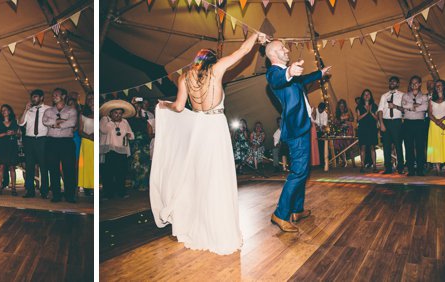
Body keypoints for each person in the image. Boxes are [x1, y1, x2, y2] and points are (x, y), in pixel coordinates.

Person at [150, 32, 266, 254]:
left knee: (198, 177)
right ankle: (217, 228)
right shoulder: (216, 69)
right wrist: (255, 35)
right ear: (212, 60)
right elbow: (242, 51)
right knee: (217, 177)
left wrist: (163, 105)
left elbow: (178, 107)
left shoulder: (184, 77)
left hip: (198, 127)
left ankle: (195, 223)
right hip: (214, 125)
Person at [264, 38, 331, 233]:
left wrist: (320, 73)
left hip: (302, 126)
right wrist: (289, 71)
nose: (287, 49)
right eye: (282, 48)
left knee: (302, 171)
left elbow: (304, 79)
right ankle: (281, 214)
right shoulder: (274, 73)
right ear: (273, 54)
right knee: (298, 172)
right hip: (295, 129)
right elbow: (277, 79)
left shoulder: (291, 76)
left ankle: (297, 210)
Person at [43, 88, 79, 203]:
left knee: (69, 169)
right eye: (53, 95)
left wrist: (55, 124)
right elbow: (45, 122)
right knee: (53, 169)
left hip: (66, 142)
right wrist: (59, 122)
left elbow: (72, 123)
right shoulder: (48, 111)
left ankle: (70, 195)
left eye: (57, 95)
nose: (54, 96)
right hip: (51, 142)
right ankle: (56, 195)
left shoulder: (71, 110)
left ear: (63, 96)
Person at [18, 90, 51, 198]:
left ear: (41, 97)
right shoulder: (29, 110)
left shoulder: (48, 109)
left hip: (42, 139)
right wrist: (25, 109)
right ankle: (30, 190)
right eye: (32, 97)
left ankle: (44, 191)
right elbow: (21, 123)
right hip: (29, 140)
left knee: (43, 165)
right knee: (29, 166)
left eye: (35, 97)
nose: (33, 99)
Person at [99, 100, 134, 200]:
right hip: (109, 150)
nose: (118, 115)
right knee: (108, 173)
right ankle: (108, 193)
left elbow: (131, 133)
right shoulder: (104, 120)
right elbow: (104, 130)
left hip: (121, 149)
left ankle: (121, 192)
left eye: (120, 113)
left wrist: (129, 135)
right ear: (110, 112)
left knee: (121, 173)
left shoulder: (125, 122)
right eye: (115, 113)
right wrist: (112, 122)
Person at [402, 76, 429, 176]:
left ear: (420, 84)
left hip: (420, 123)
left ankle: (420, 169)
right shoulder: (405, 95)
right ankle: (410, 170)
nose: (414, 85)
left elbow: (425, 107)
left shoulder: (424, 97)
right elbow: (403, 105)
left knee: (420, 147)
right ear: (410, 84)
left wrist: (411, 108)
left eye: (416, 83)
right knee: (408, 147)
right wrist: (416, 106)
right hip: (408, 123)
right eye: (412, 83)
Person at [378, 76, 405, 174]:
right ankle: (388, 168)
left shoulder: (402, 95)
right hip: (386, 122)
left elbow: (405, 109)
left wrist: (395, 106)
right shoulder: (384, 96)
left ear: (398, 84)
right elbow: (380, 110)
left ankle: (400, 167)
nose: (392, 83)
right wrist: (381, 123)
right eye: (390, 81)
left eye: (394, 81)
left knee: (398, 145)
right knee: (386, 146)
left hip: (397, 122)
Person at [0, 104, 19, 196]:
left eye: (5, 110)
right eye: (2, 110)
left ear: (9, 111)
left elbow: (19, 134)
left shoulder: (14, 122)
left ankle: (14, 188)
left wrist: (14, 132)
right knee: (1, 167)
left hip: (12, 146)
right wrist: (5, 134)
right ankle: (0, 187)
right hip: (1, 146)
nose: (3, 111)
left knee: (12, 167)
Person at [356, 89, 379, 172]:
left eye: (368, 94)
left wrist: (371, 113)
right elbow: (358, 118)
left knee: (372, 147)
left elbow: (377, 118)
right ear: (362, 96)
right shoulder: (359, 107)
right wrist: (366, 112)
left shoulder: (374, 106)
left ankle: (375, 166)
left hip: (372, 128)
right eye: (365, 94)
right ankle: (362, 165)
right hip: (363, 129)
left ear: (370, 95)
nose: (366, 96)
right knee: (363, 147)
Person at [79, 93, 95, 196]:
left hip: (98, 142)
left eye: (93, 98)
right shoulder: (82, 114)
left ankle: (95, 185)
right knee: (87, 165)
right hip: (87, 141)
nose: (91, 100)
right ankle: (87, 187)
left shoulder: (101, 113)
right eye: (88, 98)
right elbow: (80, 131)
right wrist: (89, 136)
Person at [332, 99, 355, 167]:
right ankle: (345, 162)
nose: (341, 107)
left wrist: (347, 120)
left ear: (345, 106)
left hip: (348, 130)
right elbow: (334, 121)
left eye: (343, 105)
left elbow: (352, 119)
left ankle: (353, 162)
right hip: (341, 130)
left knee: (350, 146)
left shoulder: (348, 110)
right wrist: (339, 121)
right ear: (338, 106)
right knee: (341, 147)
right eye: (340, 106)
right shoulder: (337, 113)